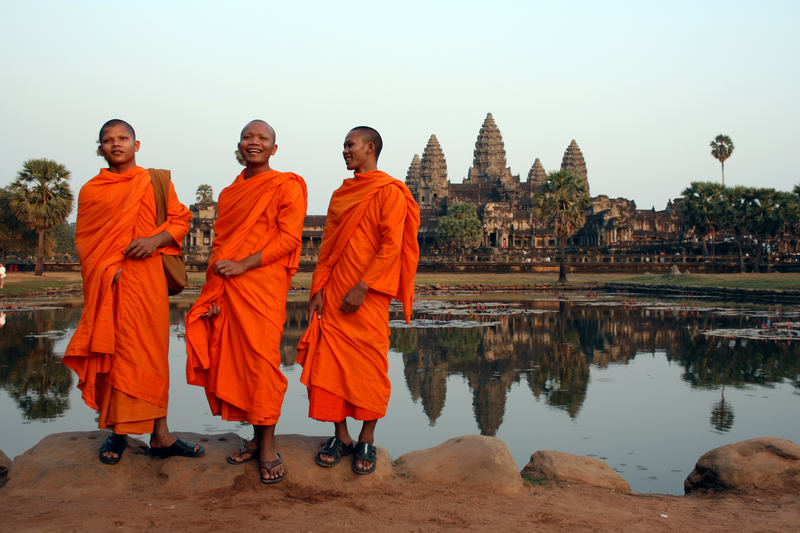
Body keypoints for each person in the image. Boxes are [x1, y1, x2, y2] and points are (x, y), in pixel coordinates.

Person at [64, 119, 203, 464]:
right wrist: (106, 271)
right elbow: (85, 242)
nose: (116, 145)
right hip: (112, 284)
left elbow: (180, 219)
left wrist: (154, 240)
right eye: (108, 140)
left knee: (152, 357)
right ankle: (118, 433)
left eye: (122, 138)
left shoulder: (155, 182)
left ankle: (161, 434)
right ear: (100, 148)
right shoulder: (92, 190)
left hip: (148, 283)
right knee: (115, 356)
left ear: (136, 145)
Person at [185, 120, 307, 484]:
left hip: (262, 285)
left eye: (262, 139)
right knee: (238, 363)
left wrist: (243, 265)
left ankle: (268, 447)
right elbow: (221, 246)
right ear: (239, 145)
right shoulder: (228, 194)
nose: (254, 143)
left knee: (263, 363)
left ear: (274, 148)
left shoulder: (288, 185)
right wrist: (215, 293)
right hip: (230, 289)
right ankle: (256, 441)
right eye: (248, 138)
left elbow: (287, 240)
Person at [296, 126, 420, 475]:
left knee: (369, 366)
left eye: (350, 145)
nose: (345, 151)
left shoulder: (389, 191)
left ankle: (366, 437)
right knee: (328, 364)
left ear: (370, 147)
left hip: (368, 295)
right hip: (334, 291)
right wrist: (318, 290)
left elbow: (391, 245)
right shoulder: (342, 194)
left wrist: (364, 286)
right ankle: (341, 436)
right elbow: (329, 247)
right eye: (344, 146)